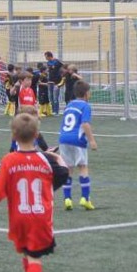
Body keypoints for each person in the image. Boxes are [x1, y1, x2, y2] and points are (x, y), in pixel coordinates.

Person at [0, 113, 70, 272]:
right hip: (40, 217)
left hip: (18, 217)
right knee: (34, 256)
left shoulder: (9, 160)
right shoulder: (44, 160)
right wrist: (58, 156)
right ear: (37, 135)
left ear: (13, 136)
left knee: (27, 252)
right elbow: (64, 173)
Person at [59, 81, 98, 211]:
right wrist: (92, 140)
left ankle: (67, 199)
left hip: (64, 139)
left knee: (68, 170)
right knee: (83, 167)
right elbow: (85, 124)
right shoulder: (85, 106)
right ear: (86, 94)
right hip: (77, 140)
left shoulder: (69, 104)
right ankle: (85, 198)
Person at [45, 51, 64, 115]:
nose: (45, 58)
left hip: (56, 82)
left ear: (49, 56)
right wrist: (52, 67)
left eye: (46, 56)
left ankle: (56, 111)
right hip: (50, 81)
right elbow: (50, 68)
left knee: (55, 97)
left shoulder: (57, 61)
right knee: (51, 97)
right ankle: (52, 111)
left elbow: (61, 65)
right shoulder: (48, 63)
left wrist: (54, 67)